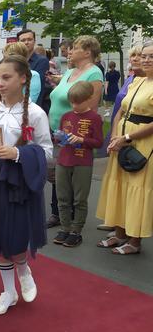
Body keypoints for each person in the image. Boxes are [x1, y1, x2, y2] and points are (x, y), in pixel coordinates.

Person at [0, 55, 52, 316]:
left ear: (23, 78)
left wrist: (18, 154)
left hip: (17, 179)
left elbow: (48, 151)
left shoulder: (36, 113)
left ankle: (23, 268)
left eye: (6, 77)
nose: (1, 83)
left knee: (15, 235)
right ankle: (8, 292)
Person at [96, 40, 153, 255]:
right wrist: (114, 135)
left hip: (143, 143)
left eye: (151, 56)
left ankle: (134, 241)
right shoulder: (136, 81)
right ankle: (119, 233)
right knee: (119, 185)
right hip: (121, 140)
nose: (146, 59)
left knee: (137, 188)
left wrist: (126, 136)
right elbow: (121, 109)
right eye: (144, 55)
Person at [47, 36, 104, 228]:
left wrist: (80, 137)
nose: (70, 51)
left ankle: (71, 219)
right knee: (58, 173)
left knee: (71, 175)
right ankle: (58, 213)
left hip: (75, 135)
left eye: (76, 48)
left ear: (88, 52)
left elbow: (91, 108)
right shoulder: (70, 71)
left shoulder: (94, 74)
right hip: (58, 130)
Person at [53, 81, 103, 248]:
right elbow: (59, 137)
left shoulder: (94, 117)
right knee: (63, 197)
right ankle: (65, 228)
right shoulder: (66, 116)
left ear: (89, 99)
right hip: (63, 160)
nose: (74, 105)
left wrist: (82, 139)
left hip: (82, 163)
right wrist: (58, 137)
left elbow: (98, 142)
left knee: (79, 199)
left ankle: (76, 231)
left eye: (78, 102)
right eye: (72, 102)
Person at [0, 42, 42, 106]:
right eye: (4, 57)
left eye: (9, 57)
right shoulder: (0, 75)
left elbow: (29, 101)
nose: (5, 61)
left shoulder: (33, 75)